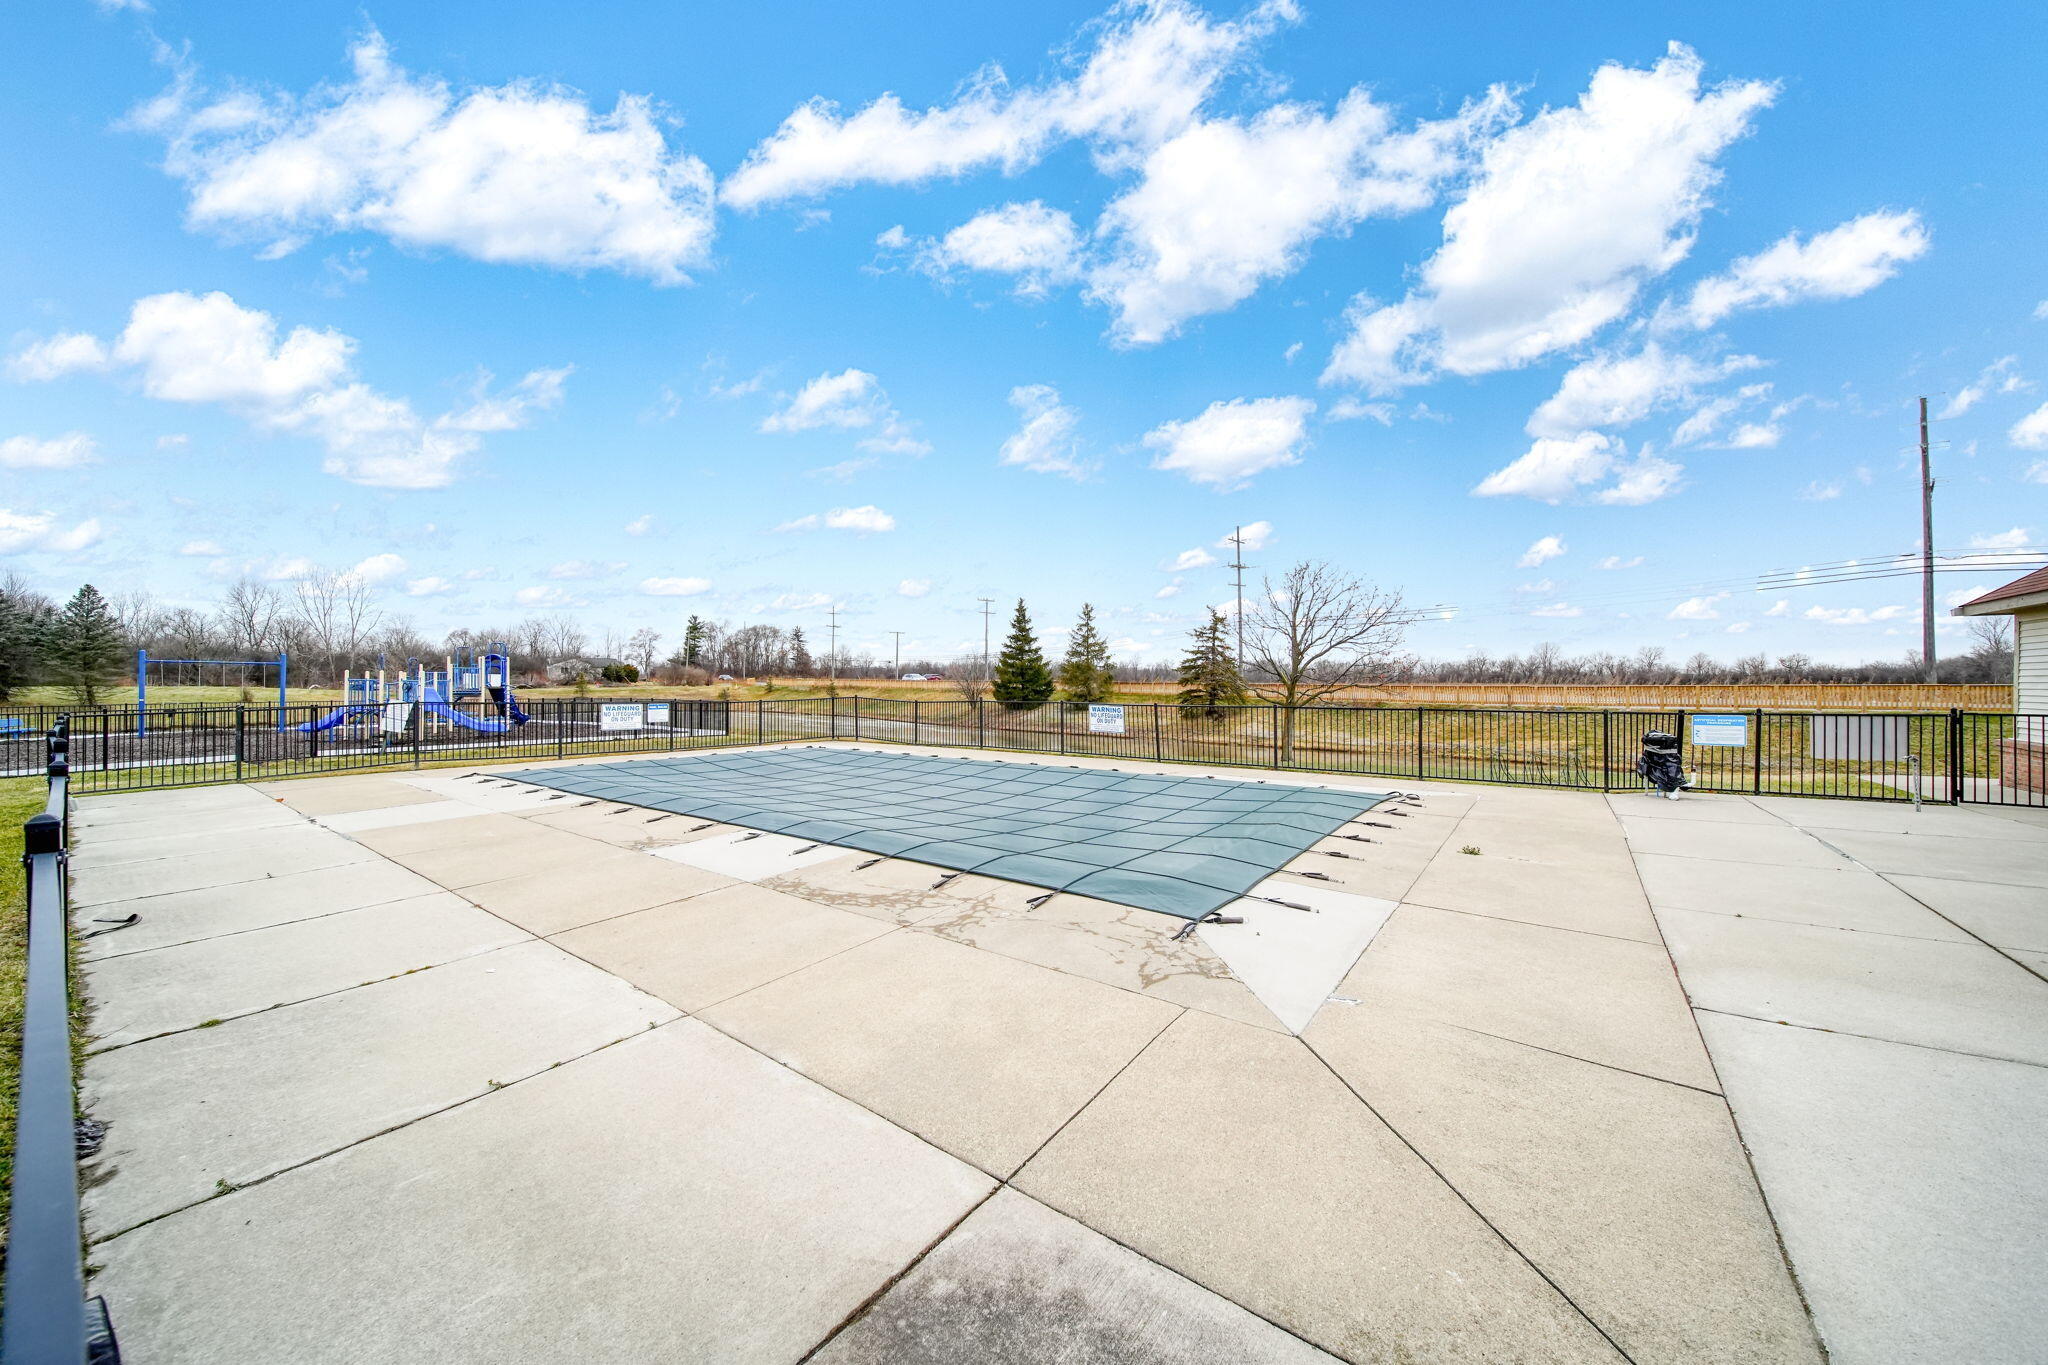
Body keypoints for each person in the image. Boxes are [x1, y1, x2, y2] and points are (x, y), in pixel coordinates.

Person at [1636, 730, 1689, 800]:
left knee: (1672, 769)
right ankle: (1675, 788)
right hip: (1661, 762)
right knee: (1672, 769)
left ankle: (1675, 787)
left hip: (1664, 761)